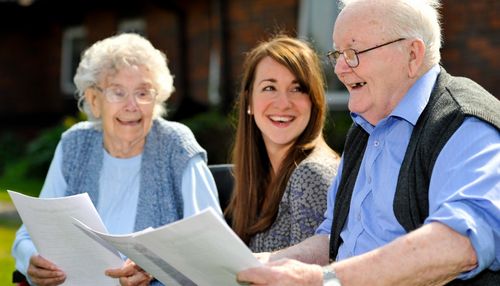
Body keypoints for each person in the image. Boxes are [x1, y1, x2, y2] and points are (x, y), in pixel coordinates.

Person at [237, 0, 499, 285]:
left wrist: (322, 280)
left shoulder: (464, 121)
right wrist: (263, 263)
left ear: (412, 54)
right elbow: (333, 237)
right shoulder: (365, 129)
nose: (339, 68)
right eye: (337, 53)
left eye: (354, 52)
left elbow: (461, 242)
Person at [11, 33, 222, 286]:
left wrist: (155, 266)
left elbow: (211, 243)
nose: (131, 105)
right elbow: (30, 235)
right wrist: (32, 260)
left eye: (143, 93)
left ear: (157, 98)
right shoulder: (75, 144)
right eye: (117, 92)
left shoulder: (176, 145)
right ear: (93, 100)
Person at [225, 35, 340, 253]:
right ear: (249, 101)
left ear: (314, 101)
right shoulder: (256, 176)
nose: (283, 103)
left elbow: (306, 278)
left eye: (297, 88)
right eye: (269, 88)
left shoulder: (310, 175)